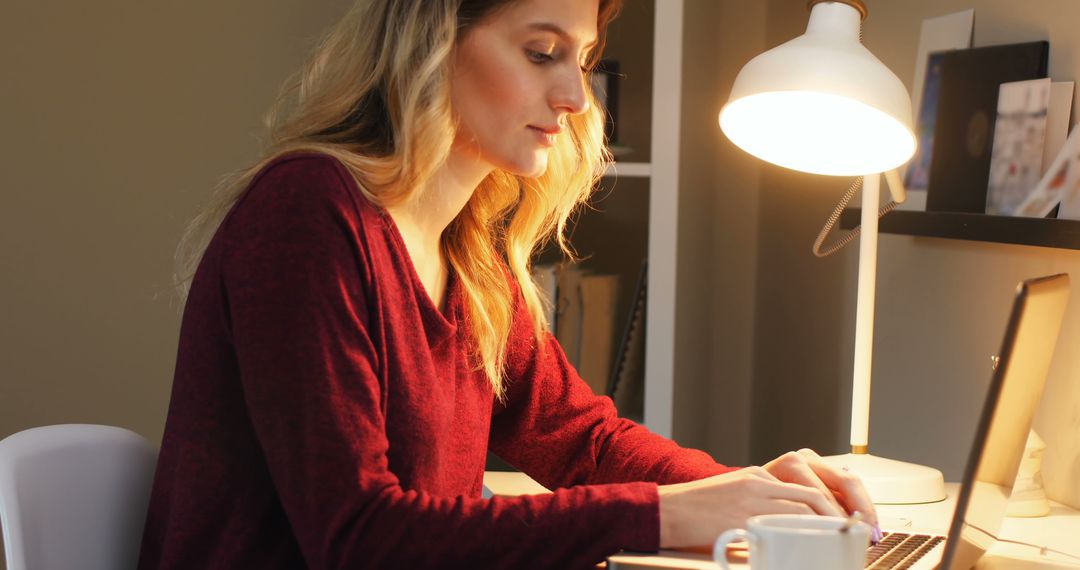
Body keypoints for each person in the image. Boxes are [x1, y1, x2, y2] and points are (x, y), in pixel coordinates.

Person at [138, 0, 879, 568]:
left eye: (581, 60)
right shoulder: (307, 214)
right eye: (542, 52)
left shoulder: (467, 253)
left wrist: (756, 493)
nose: (575, 98)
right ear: (434, 40)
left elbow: (580, 439)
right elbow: (358, 538)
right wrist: (671, 514)